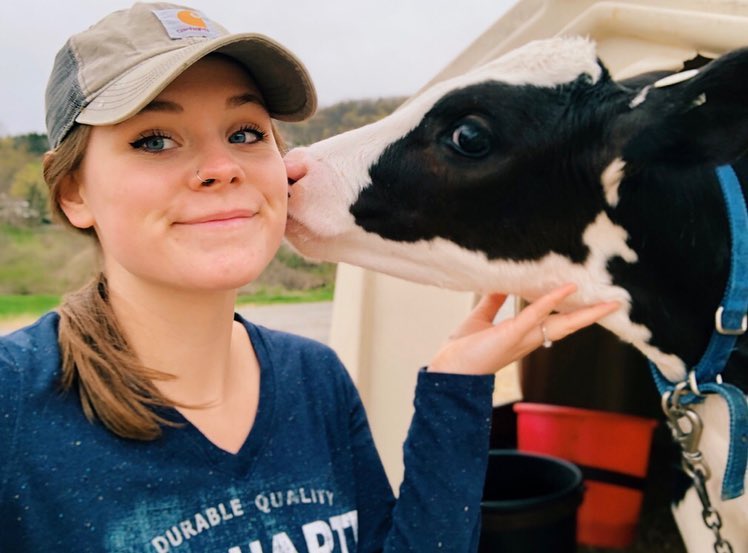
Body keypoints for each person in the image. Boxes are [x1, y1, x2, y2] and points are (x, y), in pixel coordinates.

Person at [0, 3, 620, 552]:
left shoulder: (314, 379)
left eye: (246, 133)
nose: (221, 167)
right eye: (155, 140)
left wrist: (458, 385)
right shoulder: (13, 405)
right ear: (75, 189)